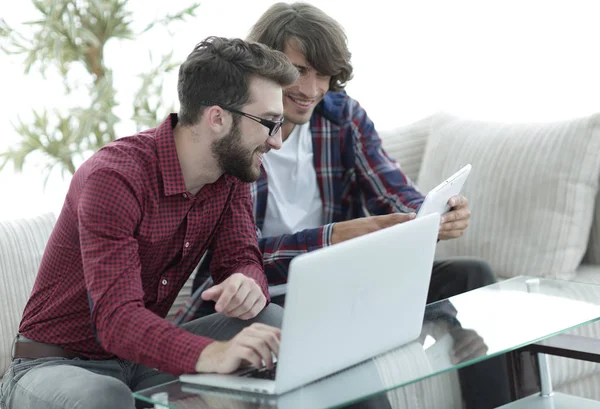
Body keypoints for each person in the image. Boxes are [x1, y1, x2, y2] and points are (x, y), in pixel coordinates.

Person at [0, 36, 299, 409]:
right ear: (218, 118)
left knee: (272, 323)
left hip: (138, 363)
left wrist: (246, 281)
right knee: (103, 396)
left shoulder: (231, 175)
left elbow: (241, 258)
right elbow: (116, 320)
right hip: (53, 365)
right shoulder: (114, 178)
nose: (277, 142)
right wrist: (213, 355)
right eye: (269, 123)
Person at [182, 2, 495, 322]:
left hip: (340, 281)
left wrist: (434, 215)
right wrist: (335, 238)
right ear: (266, 65)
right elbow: (240, 256)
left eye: (323, 74)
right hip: (255, 292)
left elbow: (391, 191)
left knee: (472, 275)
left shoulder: (340, 115)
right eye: (299, 71)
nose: (311, 90)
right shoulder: (237, 131)